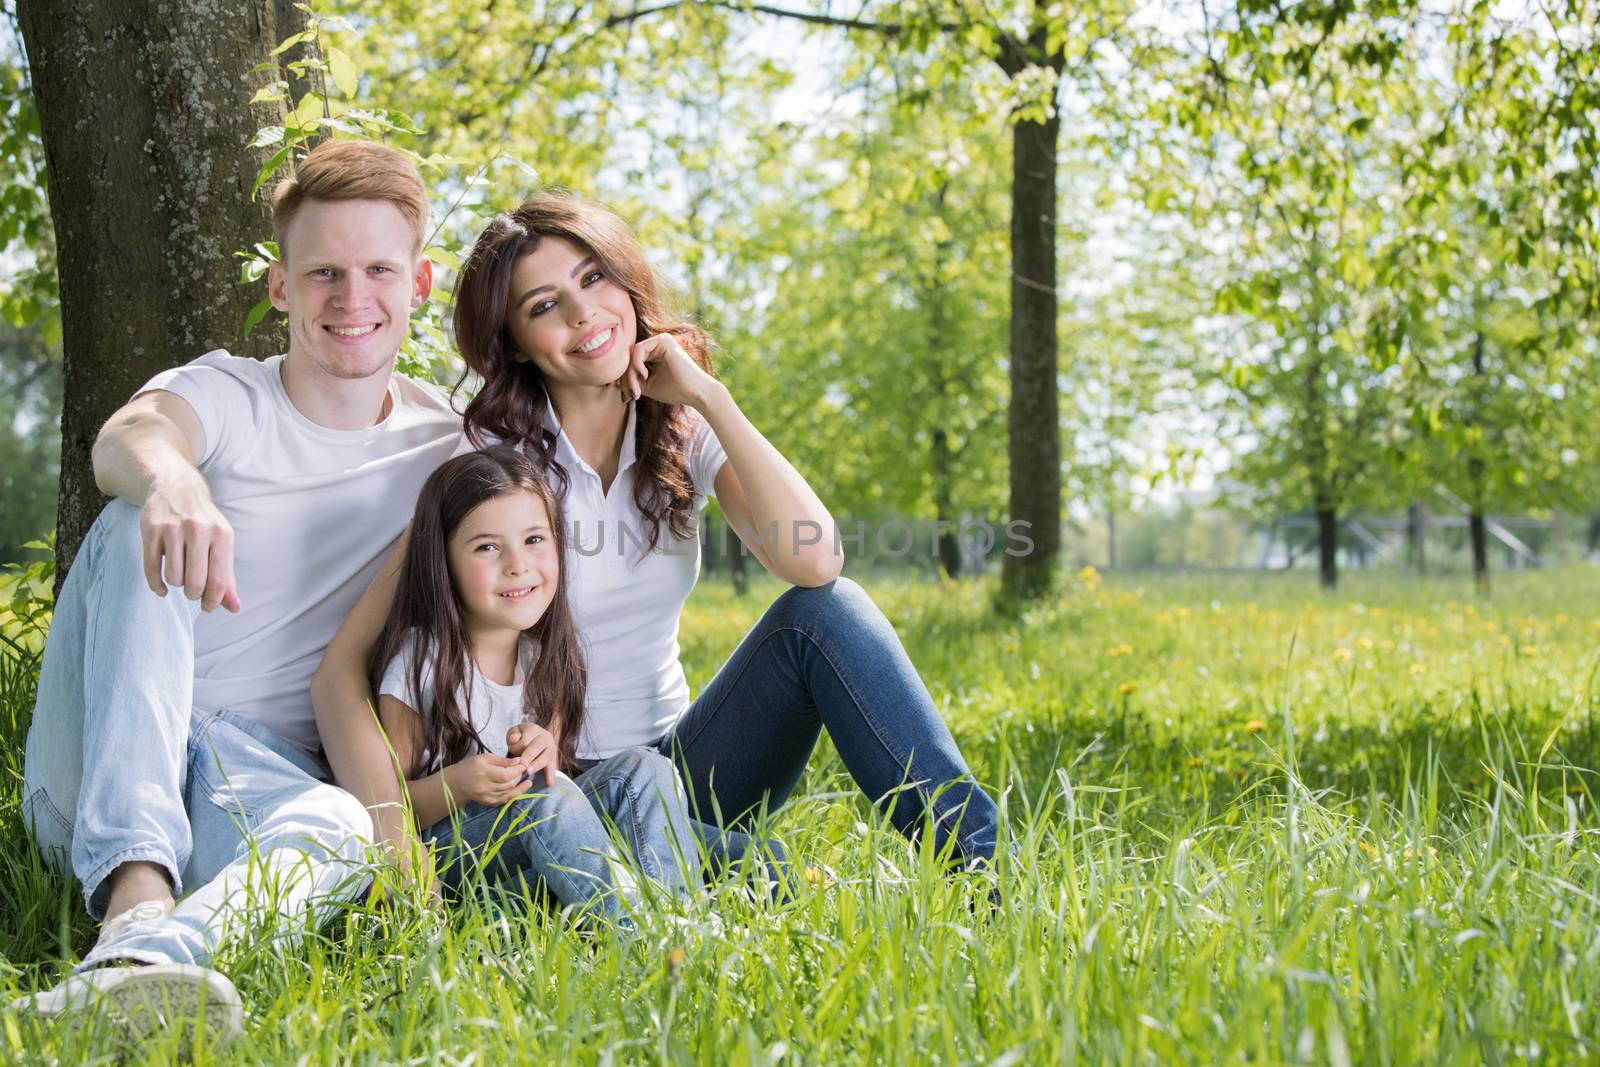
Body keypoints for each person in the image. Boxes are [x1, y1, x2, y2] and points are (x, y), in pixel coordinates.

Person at [313, 191, 1001, 887]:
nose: (584, 316)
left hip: (682, 766)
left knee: (828, 613)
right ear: (516, 340)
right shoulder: (488, 463)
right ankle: (693, 873)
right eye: (545, 306)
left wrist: (709, 396)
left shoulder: (680, 431)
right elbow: (347, 666)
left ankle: (977, 867)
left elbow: (815, 558)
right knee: (756, 873)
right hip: (551, 789)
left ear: (625, 277)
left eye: (593, 279)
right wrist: (395, 843)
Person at [11, 139, 461, 1047]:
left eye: (378, 269)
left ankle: (125, 982)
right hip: (100, 756)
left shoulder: (446, 449)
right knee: (140, 514)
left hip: (249, 784)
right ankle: (134, 893)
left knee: (343, 824)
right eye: (323, 271)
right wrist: (175, 481)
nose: (352, 297)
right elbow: (131, 435)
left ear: (417, 285)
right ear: (281, 288)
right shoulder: (228, 392)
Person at [372, 446, 700, 918]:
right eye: (487, 547)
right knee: (544, 796)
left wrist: (545, 745)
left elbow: (555, 774)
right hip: (451, 862)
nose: (517, 565)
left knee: (646, 770)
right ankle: (644, 939)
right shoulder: (420, 663)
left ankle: (677, 922)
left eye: (533, 540)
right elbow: (389, 808)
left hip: (534, 850)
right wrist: (459, 784)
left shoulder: (542, 658)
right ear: (442, 560)